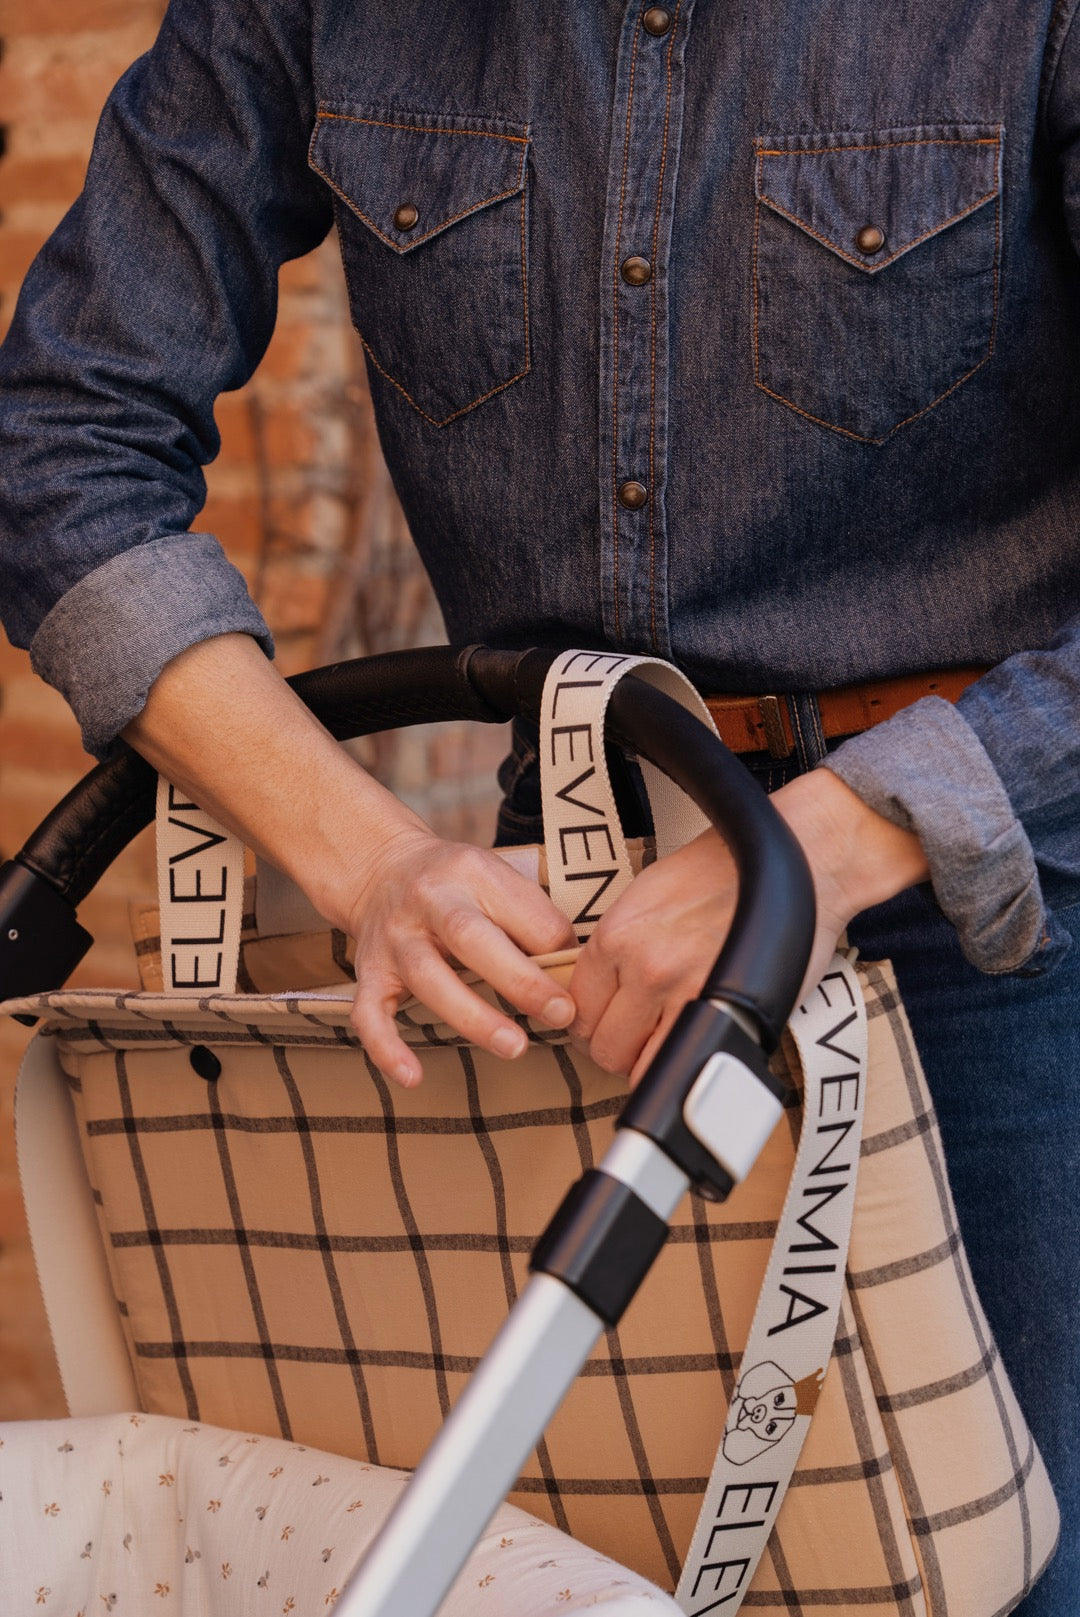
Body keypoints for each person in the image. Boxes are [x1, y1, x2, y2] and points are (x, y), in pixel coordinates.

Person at [0, 3, 1077, 1610]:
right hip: (555, 939)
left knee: (987, 1570)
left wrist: (834, 838)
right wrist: (366, 858)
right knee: (561, 1567)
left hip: (996, 922)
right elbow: (59, 438)